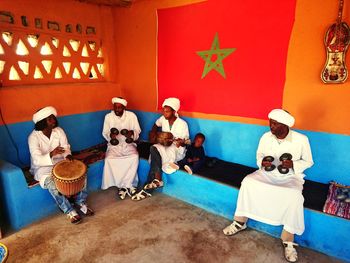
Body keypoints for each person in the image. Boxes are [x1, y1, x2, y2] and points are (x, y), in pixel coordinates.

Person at [222, 109, 314, 263]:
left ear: (285, 125)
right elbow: (259, 155)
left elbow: (309, 161)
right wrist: (262, 162)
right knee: (248, 182)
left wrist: (293, 164)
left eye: (275, 123)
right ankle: (240, 222)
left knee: (295, 195)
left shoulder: (301, 139)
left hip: (291, 176)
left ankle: (288, 239)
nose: (271, 125)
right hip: (268, 173)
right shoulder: (266, 137)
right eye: (270, 121)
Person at [28, 106, 94, 224]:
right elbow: (37, 158)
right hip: (43, 167)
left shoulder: (59, 131)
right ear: (42, 122)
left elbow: (66, 147)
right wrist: (51, 153)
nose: (54, 121)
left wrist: (68, 156)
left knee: (81, 174)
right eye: (50, 119)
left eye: (53, 118)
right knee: (52, 184)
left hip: (61, 162)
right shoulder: (33, 137)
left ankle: (81, 202)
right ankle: (69, 210)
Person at [132, 97, 189, 201]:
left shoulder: (182, 124)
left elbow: (185, 143)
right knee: (153, 148)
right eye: (164, 111)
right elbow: (155, 125)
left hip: (176, 150)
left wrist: (181, 142)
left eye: (167, 111)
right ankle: (157, 180)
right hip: (164, 146)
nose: (164, 113)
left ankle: (149, 188)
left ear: (174, 111)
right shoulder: (163, 119)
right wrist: (153, 133)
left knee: (156, 159)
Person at [101, 97, 141, 200]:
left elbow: (137, 130)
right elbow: (105, 132)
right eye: (115, 107)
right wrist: (110, 136)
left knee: (134, 156)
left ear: (124, 107)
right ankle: (123, 186)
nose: (117, 109)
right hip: (114, 145)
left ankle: (126, 185)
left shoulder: (131, 116)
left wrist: (131, 134)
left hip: (128, 144)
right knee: (109, 159)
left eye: (119, 107)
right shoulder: (108, 117)